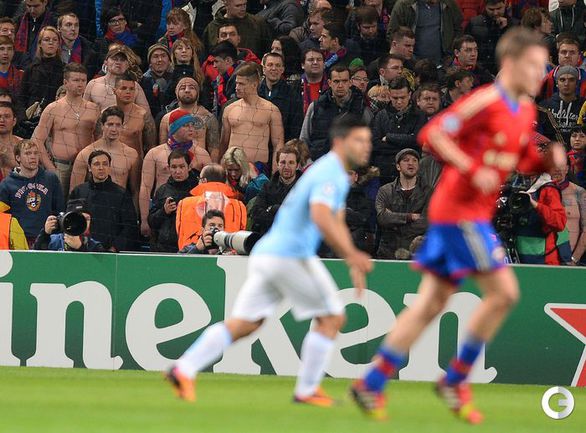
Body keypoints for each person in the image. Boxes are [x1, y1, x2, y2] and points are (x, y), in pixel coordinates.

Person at [350, 28, 567, 423]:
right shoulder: (487, 100)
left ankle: (372, 381)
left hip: (466, 213)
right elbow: (432, 134)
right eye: (535, 65)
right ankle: (455, 379)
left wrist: (545, 161)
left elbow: (517, 159)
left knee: (431, 303)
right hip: (460, 212)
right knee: (504, 293)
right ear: (511, 64)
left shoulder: (524, 111)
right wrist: (470, 167)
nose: (541, 74)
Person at [166, 115, 373, 405]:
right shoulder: (331, 173)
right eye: (359, 140)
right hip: (290, 255)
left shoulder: (330, 172)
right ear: (340, 142)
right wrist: (352, 254)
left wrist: (350, 255)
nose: (366, 147)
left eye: (368, 141)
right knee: (332, 317)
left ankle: (183, 368)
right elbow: (321, 215)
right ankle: (307, 389)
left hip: (270, 253)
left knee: (246, 323)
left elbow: (335, 217)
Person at [31, 63, 100, 197]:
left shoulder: (94, 109)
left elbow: (99, 139)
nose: (80, 84)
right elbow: (37, 140)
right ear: (65, 83)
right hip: (61, 167)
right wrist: (51, 168)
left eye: (83, 80)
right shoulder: (53, 108)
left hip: (87, 166)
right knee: (58, 205)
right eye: (76, 80)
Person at [141, 110, 211, 237]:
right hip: (162, 215)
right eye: (186, 125)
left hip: (192, 217)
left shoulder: (202, 154)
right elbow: (145, 188)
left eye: (192, 125)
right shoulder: (155, 154)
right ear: (173, 128)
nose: (191, 129)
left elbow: (210, 190)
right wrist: (144, 220)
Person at [69, 149, 137, 252]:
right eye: (97, 164)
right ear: (89, 168)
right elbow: (70, 220)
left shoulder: (121, 194)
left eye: (105, 164)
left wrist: (115, 248)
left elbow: (130, 226)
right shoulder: (78, 191)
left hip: (111, 253)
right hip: (82, 250)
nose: (101, 168)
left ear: (109, 167)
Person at [220, 62, 284, 172]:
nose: (237, 87)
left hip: (258, 169)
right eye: (236, 83)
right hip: (232, 168)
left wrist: (276, 171)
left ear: (254, 85)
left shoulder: (271, 110)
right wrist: (220, 167)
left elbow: (278, 144)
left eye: (241, 84)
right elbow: (223, 143)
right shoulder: (229, 109)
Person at [0, 140, 63, 246]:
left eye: (35, 153)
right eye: (28, 153)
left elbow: (59, 209)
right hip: (19, 239)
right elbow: (3, 218)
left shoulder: (51, 179)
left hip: (48, 238)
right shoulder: (7, 184)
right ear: (18, 158)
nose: (33, 157)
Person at [301, 65, 369, 162]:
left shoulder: (361, 108)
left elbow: (369, 142)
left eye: (344, 81)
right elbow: (304, 139)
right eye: (336, 81)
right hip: (318, 164)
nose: (340, 85)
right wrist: (308, 163)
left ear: (350, 82)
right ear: (329, 83)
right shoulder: (316, 107)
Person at [69, 106, 140, 199]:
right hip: (92, 203)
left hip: (118, 204)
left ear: (122, 127)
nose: (114, 129)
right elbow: (74, 191)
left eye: (118, 125)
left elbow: (135, 191)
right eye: (110, 124)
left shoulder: (131, 155)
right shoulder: (85, 154)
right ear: (102, 126)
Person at [375, 148, 432, 259]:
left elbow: (426, 221)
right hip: (388, 252)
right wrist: (409, 217)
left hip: (417, 253)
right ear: (398, 166)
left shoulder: (428, 191)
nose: (411, 163)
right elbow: (382, 218)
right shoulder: (385, 190)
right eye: (406, 160)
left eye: (414, 160)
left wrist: (393, 220)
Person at [175, 163, 246, 250]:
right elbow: (241, 236)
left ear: (203, 180)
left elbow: (179, 232)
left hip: (192, 254)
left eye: (199, 179)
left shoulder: (184, 204)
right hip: (228, 255)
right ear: (224, 182)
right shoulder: (239, 206)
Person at [371, 76, 426, 184]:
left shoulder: (419, 116)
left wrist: (389, 138)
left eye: (402, 97)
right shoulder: (380, 115)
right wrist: (404, 144)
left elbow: (417, 141)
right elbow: (375, 144)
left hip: (411, 174)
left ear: (409, 95)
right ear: (389, 95)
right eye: (395, 98)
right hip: (385, 173)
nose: (399, 102)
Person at [512, 168, 570, 265]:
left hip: (545, 259)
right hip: (518, 256)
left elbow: (559, 223)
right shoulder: (512, 186)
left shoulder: (548, 189)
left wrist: (535, 205)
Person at [95, 73, 157, 160]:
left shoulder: (143, 115)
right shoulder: (105, 114)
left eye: (131, 89)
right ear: (114, 90)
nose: (128, 92)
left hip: (135, 164)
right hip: (109, 163)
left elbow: (151, 148)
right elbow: (98, 143)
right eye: (123, 88)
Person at [148, 149, 199, 253]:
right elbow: (152, 222)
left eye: (182, 166)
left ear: (189, 167)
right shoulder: (162, 191)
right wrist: (164, 211)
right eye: (174, 167)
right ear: (169, 168)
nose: (178, 171)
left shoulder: (198, 190)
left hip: (191, 247)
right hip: (165, 249)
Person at [160, 77, 220, 162]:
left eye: (191, 87)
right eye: (182, 88)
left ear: (198, 93)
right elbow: (162, 148)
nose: (187, 90)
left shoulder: (208, 117)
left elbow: (214, 149)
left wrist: (211, 168)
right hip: (173, 166)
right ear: (176, 92)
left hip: (198, 164)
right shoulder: (166, 118)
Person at [389, 0, 463, 65]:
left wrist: (451, 55)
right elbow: (392, 34)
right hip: (411, 65)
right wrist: (408, 59)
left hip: (443, 64)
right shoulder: (403, 5)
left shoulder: (449, 4)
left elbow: (458, 30)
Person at [16, 26, 63, 128]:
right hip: (31, 121)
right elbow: (21, 98)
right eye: (47, 39)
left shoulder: (65, 70)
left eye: (55, 40)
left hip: (56, 121)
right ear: (40, 44)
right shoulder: (30, 69)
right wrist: (23, 119)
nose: (51, 42)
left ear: (58, 44)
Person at [250, 145, 302, 235]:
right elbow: (256, 213)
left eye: (291, 163)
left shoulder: (305, 187)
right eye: (283, 162)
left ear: (297, 166)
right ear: (277, 165)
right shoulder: (267, 186)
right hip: (270, 235)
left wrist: (272, 209)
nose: (286, 167)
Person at [83, 45, 150, 112]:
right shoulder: (93, 84)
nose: (118, 62)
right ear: (105, 62)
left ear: (127, 65)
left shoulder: (135, 86)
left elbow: (146, 115)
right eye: (114, 59)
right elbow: (83, 111)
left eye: (122, 60)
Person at [259, 52, 304, 142]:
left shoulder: (292, 95)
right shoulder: (255, 92)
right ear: (264, 69)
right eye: (270, 65)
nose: (274, 68)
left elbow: (295, 126)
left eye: (278, 65)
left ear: (282, 69)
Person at [202, 0, 272, 57]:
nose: (243, 9)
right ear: (226, 3)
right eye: (238, 6)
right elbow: (206, 55)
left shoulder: (257, 24)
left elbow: (268, 51)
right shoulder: (212, 28)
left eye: (244, 4)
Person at [33, 198, 105, 252]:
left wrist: (80, 248)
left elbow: (98, 266)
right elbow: (35, 259)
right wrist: (45, 234)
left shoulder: (95, 247)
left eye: (87, 219)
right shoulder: (53, 241)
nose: (83, 222)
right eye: (78, 218)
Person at [551, 159, 586, 264]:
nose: (557, 169)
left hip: (569, 259)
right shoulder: (538, 192)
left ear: (567, 169)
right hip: (544, 258)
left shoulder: (579, 192)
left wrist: (574, 259)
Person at [540, 65, 584, 146]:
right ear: (557, 83)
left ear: (577, 83)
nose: (566, 84)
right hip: (551, 150)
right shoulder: (544, 106)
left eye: (571, 80)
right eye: (562, 80)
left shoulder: (583, 105)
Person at [466, 0, 511, 75]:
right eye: (491, 9)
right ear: (485, 6)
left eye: (499, 8)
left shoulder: (514, 25)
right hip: (479, 72)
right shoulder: (474, 24)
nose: (495, 13)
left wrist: (505, 29)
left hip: (506, 72)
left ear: (505, 4)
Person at [164, 37, 205, 106]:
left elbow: (204, 99)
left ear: (192, 53)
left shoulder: (199, 75)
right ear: (174, 53)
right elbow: (165, 99)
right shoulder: (168, 74)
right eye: (180, 48)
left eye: (188, 48)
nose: (184, 51)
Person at [14, 0, 55, 68]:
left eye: (36, 6)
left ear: (45, 2)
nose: (32, 10)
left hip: (44, 66)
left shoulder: (53, 22)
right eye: (29, 6)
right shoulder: (20, 20)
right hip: (20, 65)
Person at [57, 12, 98, 79]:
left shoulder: (90, 50)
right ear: (59, 28)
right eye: (68, 25)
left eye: (76, 25)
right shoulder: (53, 48)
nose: (73, 29)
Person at [140, 43, 172, 120]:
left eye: (163, 56)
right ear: (150, 62)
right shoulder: (142, 81)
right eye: (155, 56)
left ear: (169, 60)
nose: (160, 60)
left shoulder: (176, 80)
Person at [209, 40, 239, 117]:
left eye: (216, 61)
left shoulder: (245, 78)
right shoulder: (218, 81)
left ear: (228, 60)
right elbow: (216, 109)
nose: (214, 66)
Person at [300, 48, 328, 114]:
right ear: (303, 65)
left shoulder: (332, 86)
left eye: (319, 60)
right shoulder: (294, 88)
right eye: (311, 60)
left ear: (324, 64)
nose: (315, 62)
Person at [0, 102, 21, 180]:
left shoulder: (22, 145)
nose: (2, 120)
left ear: (14, 121)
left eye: (7, 116)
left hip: (16, 186)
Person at [0, 35, 23, 102]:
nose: (6, 53)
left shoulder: (21, 75)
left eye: (9, 49)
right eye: (1, 49)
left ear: (13, 52)